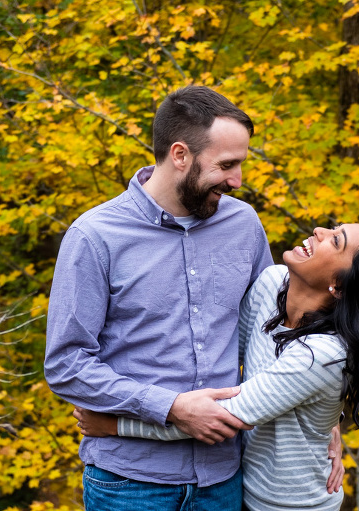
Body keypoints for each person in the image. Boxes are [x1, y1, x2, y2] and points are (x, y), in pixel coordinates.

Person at [44, 85, 277, 510]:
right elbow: (66, 365)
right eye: (226, 165)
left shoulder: (244, 224)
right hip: (129, 486)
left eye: (240, 165)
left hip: (225, 480)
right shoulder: (95, 237)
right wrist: (170, 407)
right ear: (180, 154)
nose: (237, 181)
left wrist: (322, 422)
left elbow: (274, 333)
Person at [74, 223, 359, 510]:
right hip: (236, 487)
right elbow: (223, 362)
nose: (319, 231)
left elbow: (218, 417)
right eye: (332, 229)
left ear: (340, 286)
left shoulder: (320, 355)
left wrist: (115, 426)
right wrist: (329, 418)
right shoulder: (271, 283)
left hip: (291, 506)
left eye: (336, 241)